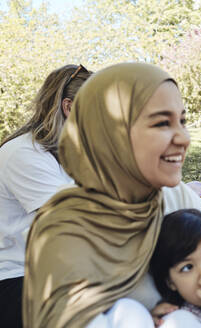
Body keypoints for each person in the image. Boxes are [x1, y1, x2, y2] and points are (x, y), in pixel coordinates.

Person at [22, 63, 201, 328]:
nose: (183, 138)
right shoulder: (63, 228)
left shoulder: (171, 194)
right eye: (162, 123)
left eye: (182, 121)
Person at [0, 64, 92, 328]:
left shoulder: (66, 155)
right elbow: (75, 218)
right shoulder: (23, 153)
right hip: (20, 280)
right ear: (70, 107)